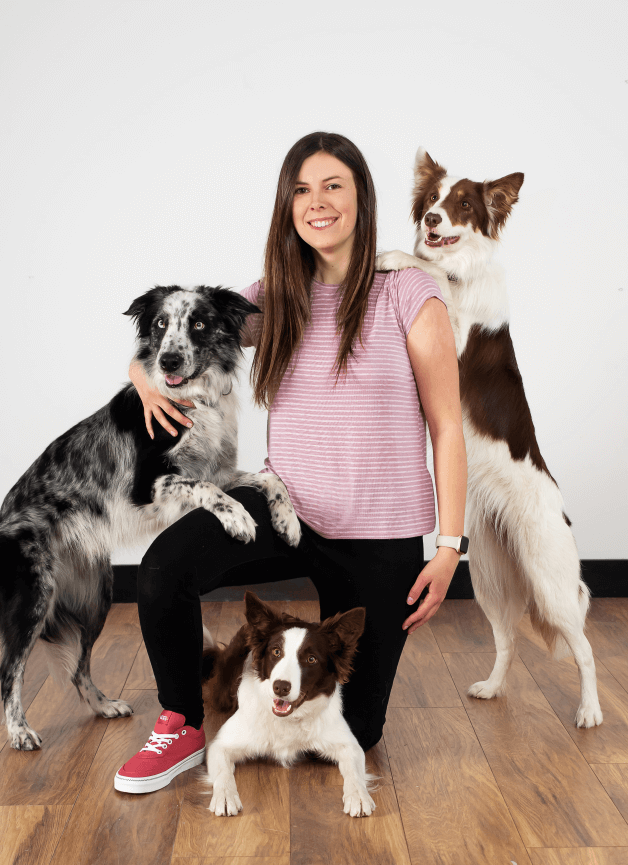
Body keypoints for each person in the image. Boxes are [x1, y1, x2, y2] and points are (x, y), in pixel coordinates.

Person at [114, 132, 467, 794]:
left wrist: (448, 547)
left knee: (352, 732)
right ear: (287, 206)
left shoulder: (407, 292)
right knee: (163, 567)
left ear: (361, 197)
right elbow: (179, 331)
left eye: (333, 185)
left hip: (378, 539)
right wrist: (141, 374)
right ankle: (183, 720)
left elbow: (448, 426)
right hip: (287, 507)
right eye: (301, 189)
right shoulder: (278, 294)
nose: (317, 201)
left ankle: (244, 684)